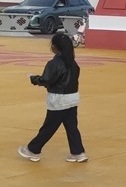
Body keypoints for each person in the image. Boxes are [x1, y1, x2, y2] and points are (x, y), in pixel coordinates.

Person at [18, 32, 87, 163]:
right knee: (72, 127)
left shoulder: (54, 63)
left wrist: (34, 78)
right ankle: (78, 152)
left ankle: (33, 150)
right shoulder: (73, 64)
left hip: (58, 99)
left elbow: (46, 80)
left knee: (49, 126)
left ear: (54, 47)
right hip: (72, 98)